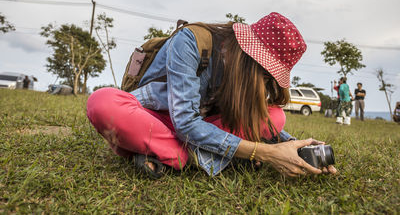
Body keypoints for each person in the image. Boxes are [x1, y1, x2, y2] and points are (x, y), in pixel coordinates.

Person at [87, 12, 337, 178]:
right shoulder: (190, 42)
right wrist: (265, 153)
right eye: (266, 75)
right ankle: (198, 156)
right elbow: (185, 123)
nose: (265, 83)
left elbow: (257, 120)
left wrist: (295, 146)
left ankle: (169, 155)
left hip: (200, 128)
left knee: (276, 117)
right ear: (252, 60)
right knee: (102, 102)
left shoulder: (245, 77)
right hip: (158, 118)